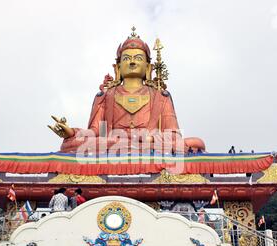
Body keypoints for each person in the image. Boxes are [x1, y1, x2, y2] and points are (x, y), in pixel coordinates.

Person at [48, 27, 205, 154]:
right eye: (126, 58)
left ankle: (132, 145)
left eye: (138, 58)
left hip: (148, 144)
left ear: (148, 67)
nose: (131, 62)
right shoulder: (104, 96)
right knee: (71, 144)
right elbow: (95, 132)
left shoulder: (161, 96)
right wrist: (72, 133)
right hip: (111, 143)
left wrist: (149, 140)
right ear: (117, 68)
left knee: (195, 143)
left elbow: (173, 136)